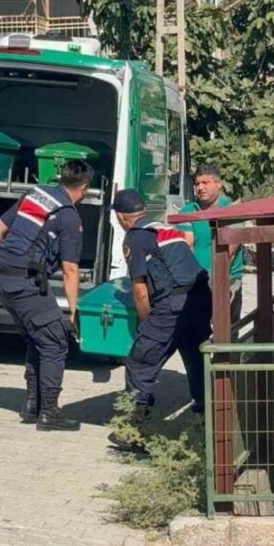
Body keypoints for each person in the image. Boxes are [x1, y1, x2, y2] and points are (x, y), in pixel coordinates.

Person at [0, 160, 93, 432]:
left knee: (37, 337)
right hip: (24, 284)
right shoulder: (69, 216)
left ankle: (33, 405)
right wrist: (74, 311)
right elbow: (70, 269)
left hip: (3, 279)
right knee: (55, 342)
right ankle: (50, 413)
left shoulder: (36, 193)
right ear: (84, 188)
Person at [110, 189, 212, 444]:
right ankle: (205, 423)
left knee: (140, 362)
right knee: (196, 359)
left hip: (171, 307)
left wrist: (146, 324)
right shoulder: (164, 228)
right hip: (200, 300)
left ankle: (134, 431)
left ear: (121, 217)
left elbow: (140, 289)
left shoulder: (135, 237)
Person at [177, 165, 244, 321]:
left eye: (205, 182)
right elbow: (187, 245)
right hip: (197, 280)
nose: (200, 188)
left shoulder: (233, 212)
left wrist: (216, 281)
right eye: (197, 184)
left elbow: (231, 250)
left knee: (226, 327)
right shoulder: (187, 211)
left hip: (228, 279)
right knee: (197, 327)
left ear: (219, 184)